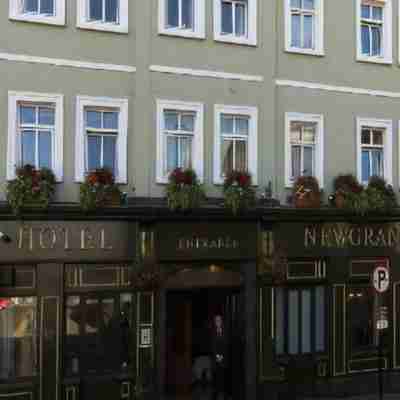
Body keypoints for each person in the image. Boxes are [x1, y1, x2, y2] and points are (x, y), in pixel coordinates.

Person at [211, 314, 229, 400]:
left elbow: (227, 344)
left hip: (224, 359)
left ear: (221, 322)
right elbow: (211, 345)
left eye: (219, 320)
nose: (218, 322)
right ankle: (215, 395)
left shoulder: (225, 331)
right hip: (215, 360)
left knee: (224, 378)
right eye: (216, 320)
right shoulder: (212, 332)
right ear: (214, 322)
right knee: (215, 379)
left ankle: (225, 395)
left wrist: (222, 356)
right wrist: (217, 356)